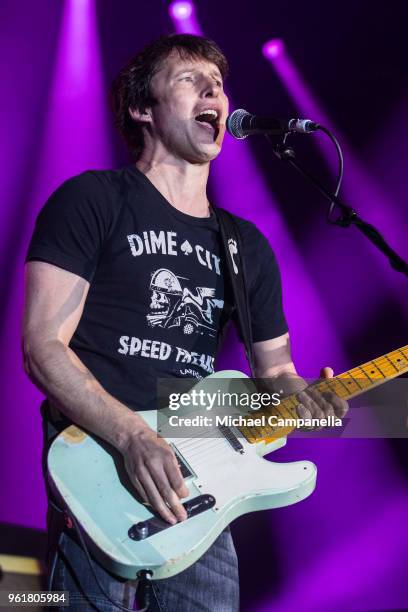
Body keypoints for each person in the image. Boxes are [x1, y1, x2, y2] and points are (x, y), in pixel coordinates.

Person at [23, 34, 347, 612]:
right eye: (189, 79)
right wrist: (132, 436)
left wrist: (309, 397)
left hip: (204, 495)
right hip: (103, 470)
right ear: (140, 108)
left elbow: (276, 373)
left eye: (218, 84)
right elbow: (43, 346)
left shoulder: (244, 244)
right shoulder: (94, 199)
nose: (214, 92)